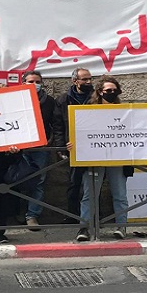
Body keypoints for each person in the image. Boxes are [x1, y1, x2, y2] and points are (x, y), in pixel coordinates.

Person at [76, 75, 131, 242]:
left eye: (115, 90)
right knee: (89, 195)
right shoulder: (88, 110)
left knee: (120, 193)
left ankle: (121, 226)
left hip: (118, 157)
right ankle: (85, 228)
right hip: (94, 158)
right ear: (100, 92)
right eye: (108, 90)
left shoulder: (125, 111)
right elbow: (80, 131)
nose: (112, 93)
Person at [20, 70, 63, 230]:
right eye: (31, 81)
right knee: (17, 179)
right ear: (23, 83)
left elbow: (56, 123)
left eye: (37, 82)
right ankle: (17, 212)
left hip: (40, 148)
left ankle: (32, 215)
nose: (34, 85)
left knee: (38, 181)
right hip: (18, 149)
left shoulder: (49, 101)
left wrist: (51, 141)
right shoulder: (15, 99)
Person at [55, 68, 94, 224]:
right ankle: (72, 215)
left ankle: (92, 215)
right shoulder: (63, 100)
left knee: (93, 183)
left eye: (90, 79)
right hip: (74, 148)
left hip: (94, 145)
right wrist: (60, 147)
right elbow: (58, 125)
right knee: (74, 183)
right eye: (85, 79)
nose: (88, 82)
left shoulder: (96, 97)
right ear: (75, 81)